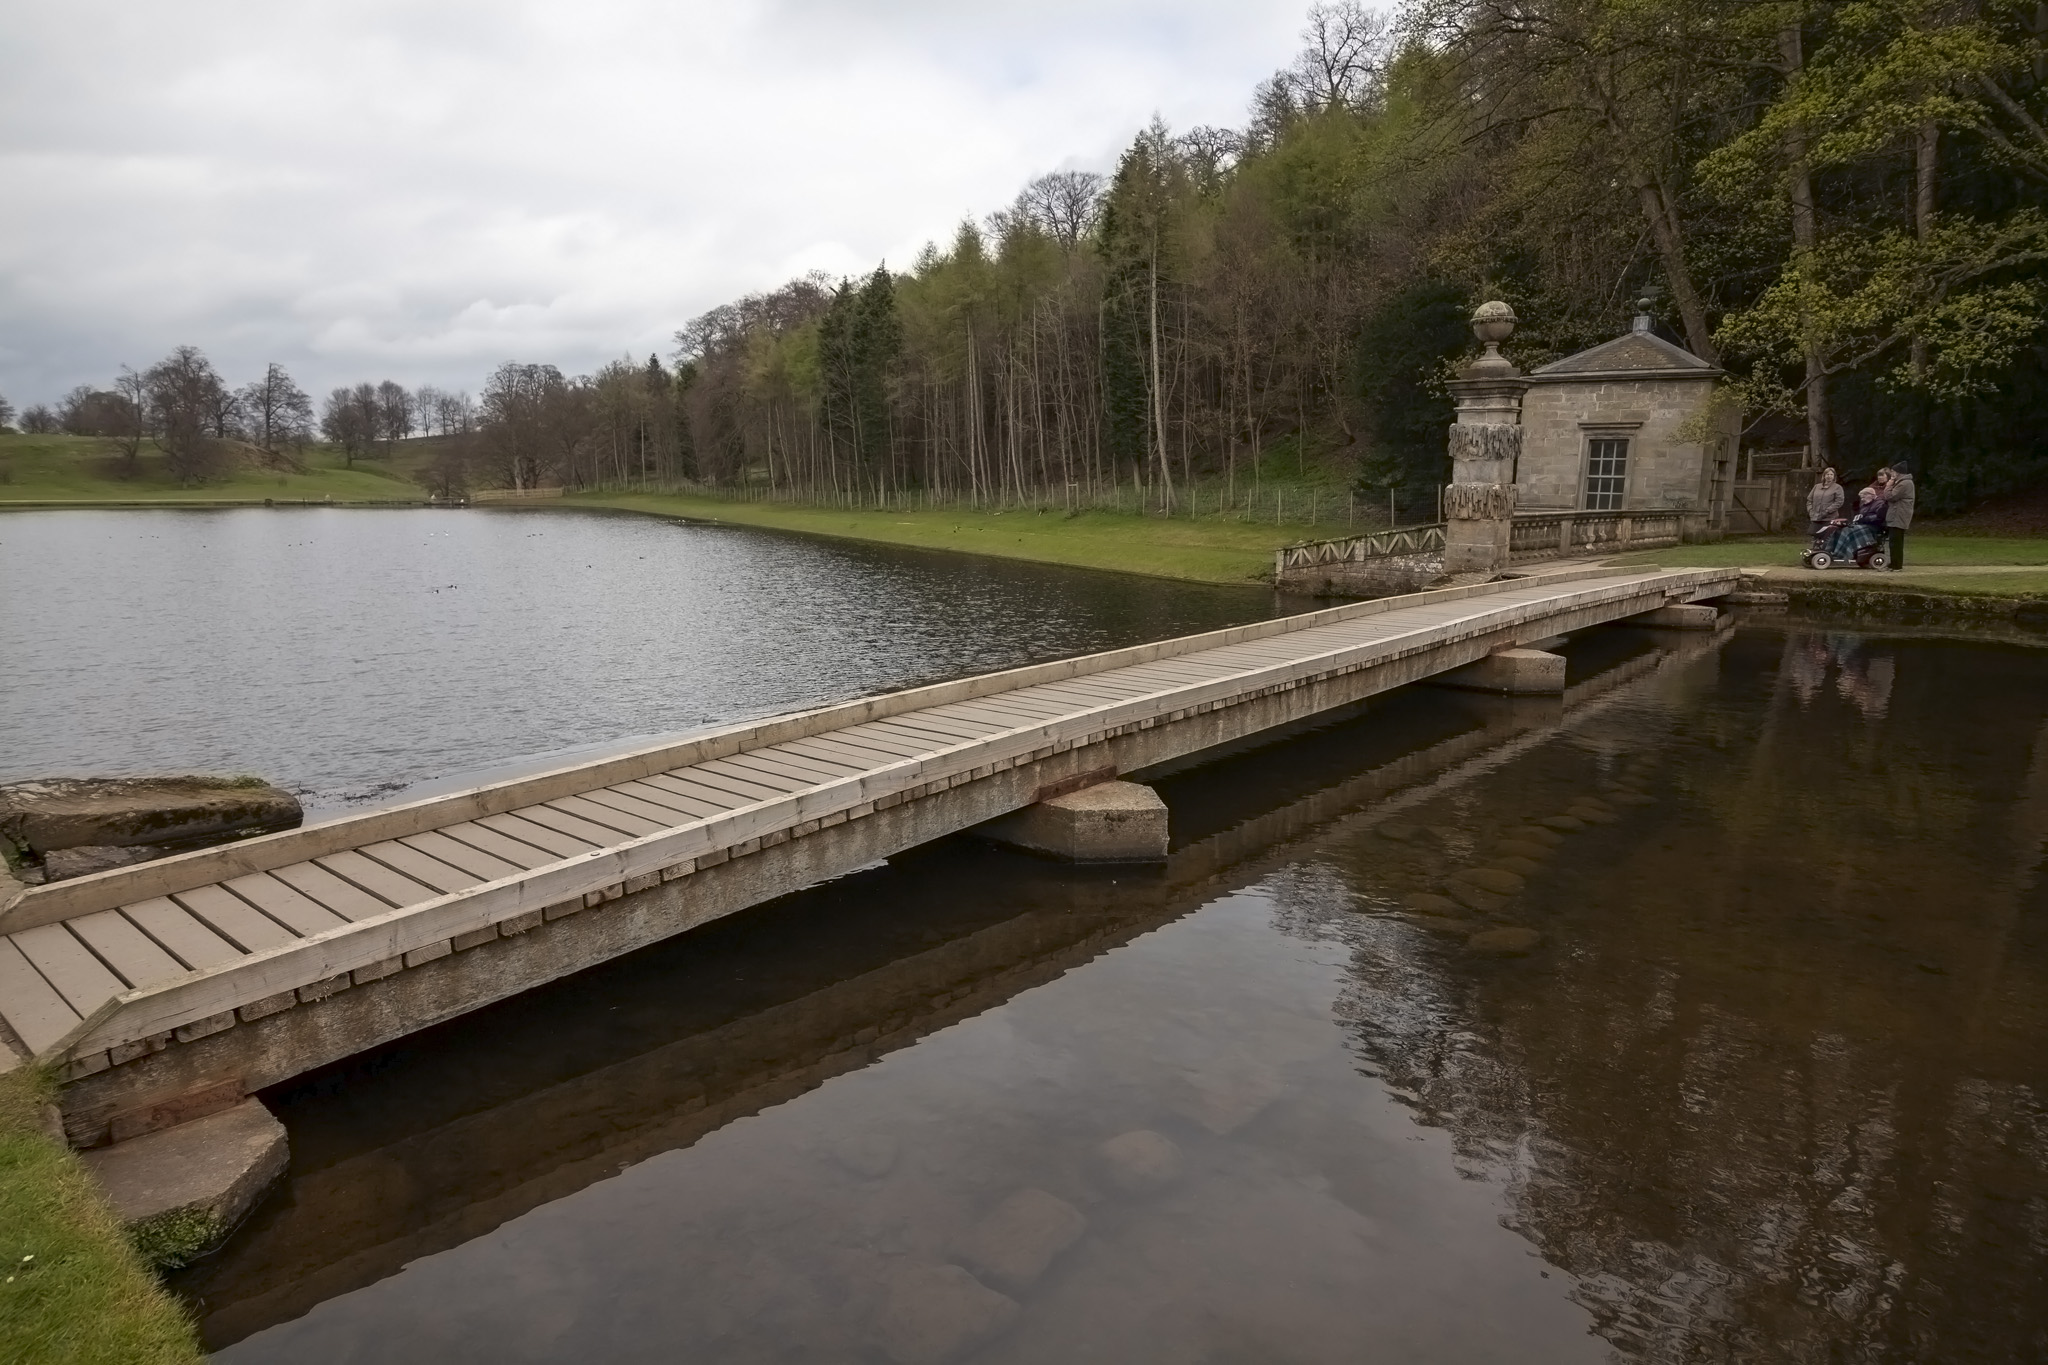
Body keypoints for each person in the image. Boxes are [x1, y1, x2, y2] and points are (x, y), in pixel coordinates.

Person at [1822, 485, 1887, 563]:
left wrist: (1864, 519)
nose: (1862, 500)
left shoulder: (1879, 503)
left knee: (1847, 530)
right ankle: (1830, 550)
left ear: (1871, 495)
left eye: (1863, 497)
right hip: (1864, 524)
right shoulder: (1865, 504)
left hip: (1874, 527)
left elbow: (1879, 517)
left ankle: (1841, 553)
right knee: (1839, 529)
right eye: (1861, 498)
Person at [1884, 460, 1916, 570]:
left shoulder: (1904, 483)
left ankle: (1896, 565)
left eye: (1893, 472)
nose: (1891, 474)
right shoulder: (1903, 483)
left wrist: (1888, 485)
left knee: (1895, 541)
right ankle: (1895, 563)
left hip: (1899, 515)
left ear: (1898, 472)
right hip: (1897, 514)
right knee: (1895, 541)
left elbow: (1890, 496)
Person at [1806, 467, 1844, 537]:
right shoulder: (1817, 486)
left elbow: (1839, 502)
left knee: (1827, 537)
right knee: (1815, 536)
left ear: (1834, 476)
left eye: (1831, 474)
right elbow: (1809, 500)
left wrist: (1827, 511)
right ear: (1824, 476)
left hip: (1829, 517)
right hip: (1815, 517)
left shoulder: (1838, 487)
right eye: (1827, 474)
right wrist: (1810, 511)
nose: (1829, 476)